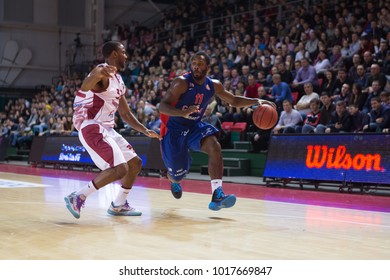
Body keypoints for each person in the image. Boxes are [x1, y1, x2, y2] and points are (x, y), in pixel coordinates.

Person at [159, 51, 275, 211]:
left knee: (215, 146)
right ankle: (173, 180)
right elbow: (162, 106)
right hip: (174, 130)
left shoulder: (213, 85)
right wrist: (182, 112)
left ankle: (217, 195)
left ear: (207, 67)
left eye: (200, 64)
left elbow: (233, 100)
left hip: (193, 127)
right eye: (193, 63)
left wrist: (258, 101)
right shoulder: (181, 83)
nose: (196, 67)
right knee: (178, 175)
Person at [64, 41, 161, 219]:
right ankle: (78, 196)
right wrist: (99, 73)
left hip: (107, 129)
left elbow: (125, 113)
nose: (126, 56)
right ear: (114, 54)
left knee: (135, 164)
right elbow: (85, 85)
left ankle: (119, 204)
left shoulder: (118, 80)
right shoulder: (102, 71)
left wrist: (145, 130)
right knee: (120, 168)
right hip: (92, 126)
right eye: (123, 52)